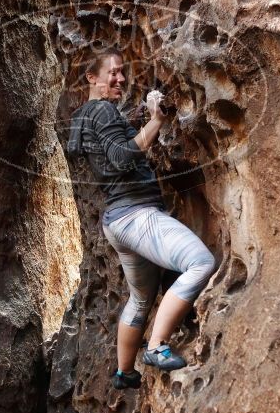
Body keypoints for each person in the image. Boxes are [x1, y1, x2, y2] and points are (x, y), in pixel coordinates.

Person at [67, 48, 218, 390]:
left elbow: (108, 150)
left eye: (122, 72)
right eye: (113, 72)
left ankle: (125, 373)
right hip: (137, 216)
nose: (120, 78)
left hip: (117, 224)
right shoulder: (102, 110)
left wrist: (138, 116)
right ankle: (156, 347)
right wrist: (156, 121)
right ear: (92, 78)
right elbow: (120, 158)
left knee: (140, 299)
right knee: (199, 262)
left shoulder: (82, 117)